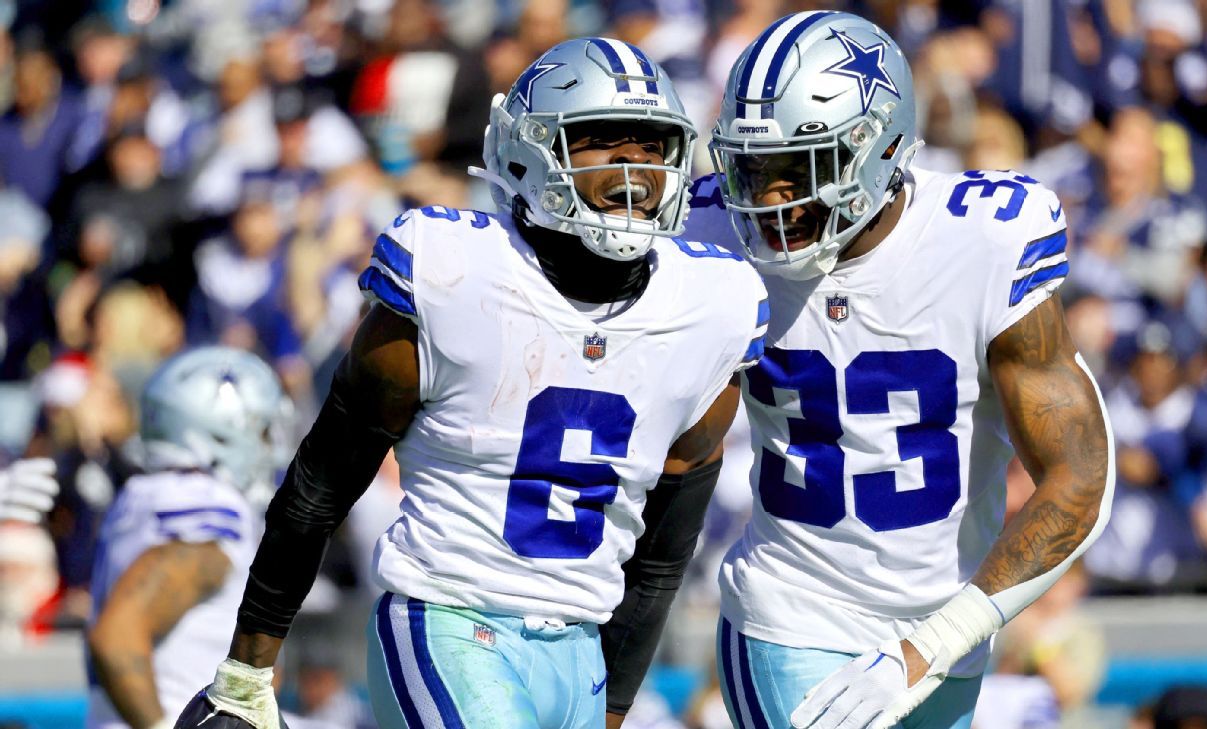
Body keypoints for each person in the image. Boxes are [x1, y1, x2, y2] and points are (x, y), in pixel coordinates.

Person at [177, 37, 768, 729]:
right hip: (451, 619)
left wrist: (611, 708)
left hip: (580, 650)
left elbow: (665, 552)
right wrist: (246, 670)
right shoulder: (453, 273)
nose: (632, 169)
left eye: (649, 146)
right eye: (601, 143)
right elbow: (323, 481)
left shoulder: (711, 304)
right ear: (531, 151)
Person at [684, 11, 1114, 729]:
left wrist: (932, 643)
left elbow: (1080, 476)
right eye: (753, 169)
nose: (768, 200)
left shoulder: (980, 239)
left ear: (876, 149)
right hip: (789, 612)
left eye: (798, 168)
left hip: (946, 630)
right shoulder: (708, 231)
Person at [84, 347, 292, 729]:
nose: (269, 447)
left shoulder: (145, 494)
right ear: (220, 432)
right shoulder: (206, 505)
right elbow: (117, 638)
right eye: (260, 430)